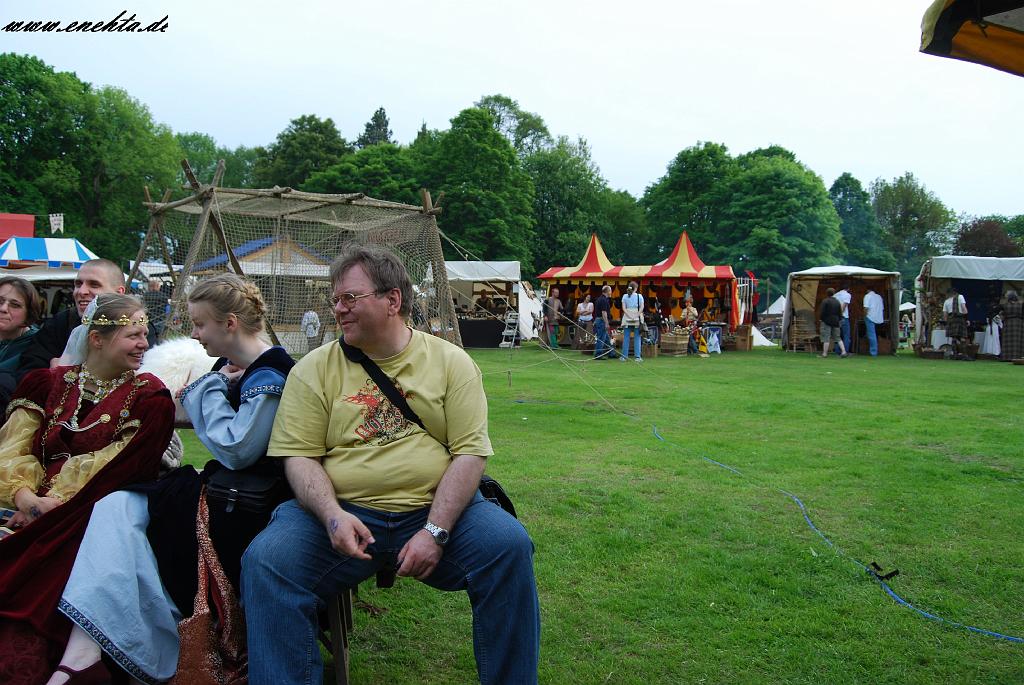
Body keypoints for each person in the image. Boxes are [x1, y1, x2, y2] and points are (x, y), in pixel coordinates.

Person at [241, 244, 540, 685]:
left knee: (508, 547)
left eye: (350, 298)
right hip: (342, 512)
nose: (338, 309)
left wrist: (435, 531)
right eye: (335, 299)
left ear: (392, 300)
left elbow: (469, 454)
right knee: (267, 562)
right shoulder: (313, 369)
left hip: (435, 510)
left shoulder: (451, 363)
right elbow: (299, 456)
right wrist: (332, 516)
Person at [51, 273, 294, 684]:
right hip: (225, 494)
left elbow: (237, 448)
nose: (194, 334)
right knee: (115, 509)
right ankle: (88, 651)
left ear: (229, 323)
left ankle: (129, 650)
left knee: (122, 514)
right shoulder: (234, 367)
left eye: (199, 324)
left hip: (244, 508)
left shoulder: (270, 373)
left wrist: (207, 388)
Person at [0, 294, 174, 685]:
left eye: (145, 334)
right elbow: (13, 449)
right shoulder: (46, 383)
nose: (144, 344)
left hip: (90, 513)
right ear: (96, 339)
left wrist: (49, 506)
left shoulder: (149, 397)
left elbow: (118, 468)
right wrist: (26, 497)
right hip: (23, 505)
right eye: (133, 335)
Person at [17, 259, 126, 379]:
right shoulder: (60, 323)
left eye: (94, 285)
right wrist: (50, 375)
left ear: (118, 293)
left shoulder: (136, 327)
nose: (81, 291)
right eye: (78, 284)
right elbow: (27, 372)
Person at [0, 277, 44, 416]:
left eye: (15, 305)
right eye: (0, 301)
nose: (3, 308)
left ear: (29, 313)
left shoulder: (38, 345)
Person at [819, 288, 848, 358]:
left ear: (827, 293)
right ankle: (844, 351)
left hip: (826, 321)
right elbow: (840, 312)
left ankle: (824, 354)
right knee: (838, 337)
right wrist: (839, 320)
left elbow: (822, 311)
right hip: (836, 321)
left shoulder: (825, 301)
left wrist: (821, 319)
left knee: (826, 337)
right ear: (834, 293)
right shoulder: (837, 302)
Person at [620, 281, 644, 362]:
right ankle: (637, 357)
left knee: (626, 337)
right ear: (636, 288)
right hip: (637, 316)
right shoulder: (639, 296)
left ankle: (624, 356)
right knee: (637, 337)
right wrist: (636, 315)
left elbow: (624, 308)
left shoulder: (625, 296)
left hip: (627, 316)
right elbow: (642, 307)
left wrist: (629, 315)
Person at [140, 278, 169, 347]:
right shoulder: (163, 296)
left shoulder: (145, 295)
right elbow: (167, 308)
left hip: (149, 322)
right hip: (161, 321)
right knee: (160, 340)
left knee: (149, 339)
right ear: (157, 286)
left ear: (150, 287)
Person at [995, 290, 1023, 361]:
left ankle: (1007, 357)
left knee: (1007, 341)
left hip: (1008, 323)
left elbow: (997, 313)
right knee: (1018, 340)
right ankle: (1019, 357)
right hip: (1019, 324)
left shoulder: (1004, 305)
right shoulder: (1021, 305)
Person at [943, 287, 969, 351]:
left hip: (951, 320)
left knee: (954, 337)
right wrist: (966, 319)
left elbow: (945, 315)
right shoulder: (960, 297)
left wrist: (946, 323)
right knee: (962, 337)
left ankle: (954, 353)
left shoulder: (946, 301)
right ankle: (963, 353)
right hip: (960, 319)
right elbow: (964, 309)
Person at [862, 286, 885, 357]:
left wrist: (864, 316)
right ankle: (873, 350)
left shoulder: (867, 296)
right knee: (873, 334)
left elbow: (866, 308)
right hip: (879, 317)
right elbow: (882, 308)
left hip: (870, 317)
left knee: (871, 335)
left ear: (868, 290)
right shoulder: (879, 297)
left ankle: (873, 352)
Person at [593, 285, 613, 359]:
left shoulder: (600, 299)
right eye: (610, 291)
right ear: (607, 291)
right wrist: (606, 323)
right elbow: (604, 312)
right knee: (601, 338)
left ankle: (611, 353)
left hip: (599, 320)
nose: (611, 292)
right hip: (602, 321)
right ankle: (598, 354)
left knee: (607, 338)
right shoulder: (604, 300)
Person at [833, 283, 853, 355]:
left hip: (835, 317)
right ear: (848, 289)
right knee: (846, 335)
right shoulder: (847, 295)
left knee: (838, 335)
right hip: (843, 316)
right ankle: (845, 351)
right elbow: (844, 305)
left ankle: (837, 350)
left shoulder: (835, 295)